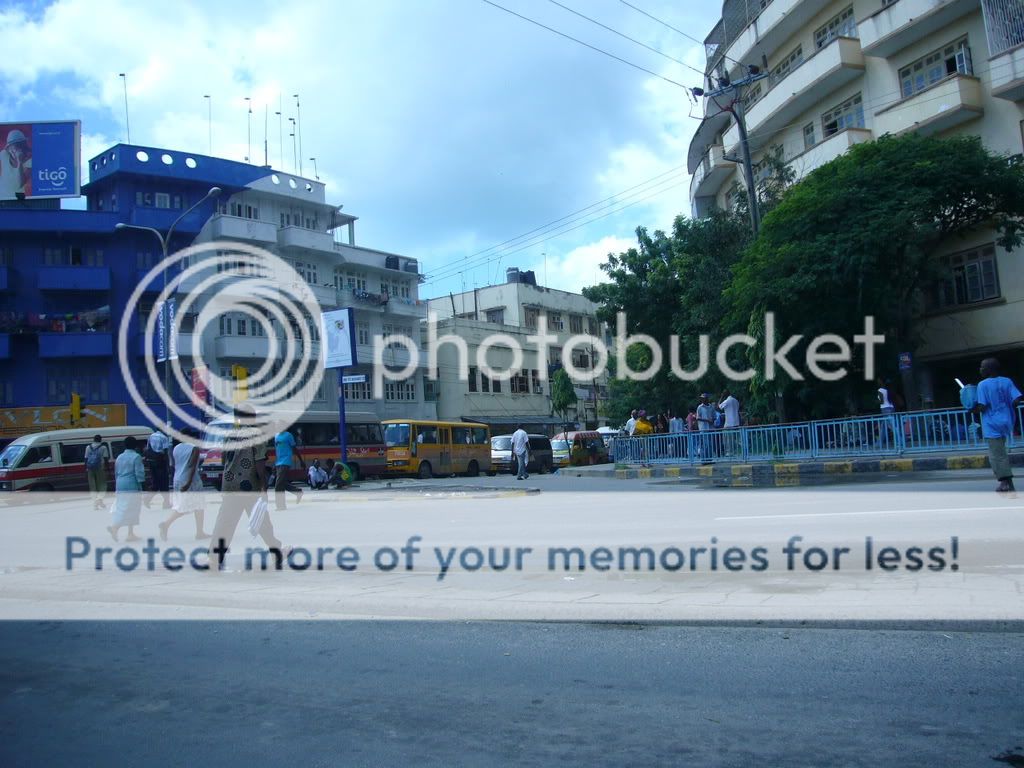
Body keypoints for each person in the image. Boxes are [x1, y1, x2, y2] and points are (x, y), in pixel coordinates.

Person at [208, 404, 288, 572]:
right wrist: (263, 488)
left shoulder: (229, 436)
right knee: (262, 521)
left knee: (224, 523)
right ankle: (276, 551)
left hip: (229, 486)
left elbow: (224, 461)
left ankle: (215, 558)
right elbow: (259, 464)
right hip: (248, 486)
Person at [973, 358, 1023, 493]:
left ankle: (1004, 483)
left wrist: (973, 409)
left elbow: (982, 406)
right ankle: (1009, 483)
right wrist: (1007, 407)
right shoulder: (1007, 381)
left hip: (992, 423)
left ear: (989, 369)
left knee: (996, 455)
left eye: (982, 367)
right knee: (1001, 452)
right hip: (1006, 421)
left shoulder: (982, 385)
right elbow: (1017, 399)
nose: (980, 369)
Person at [159, 427, 211, 541]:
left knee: (189, 506)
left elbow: (174, 464)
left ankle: (199, 531)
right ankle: (167, 524)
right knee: (196, 506)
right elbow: (192, 467)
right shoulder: (194, 448)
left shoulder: (176, 448)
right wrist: (188, 483)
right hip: (192, 480)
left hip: (178, 478)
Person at [107, 436, 146, 543]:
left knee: (122, 508)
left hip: (120, 484)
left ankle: (130, 533)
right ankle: (116, 528)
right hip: (131, 485)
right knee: (131, 508)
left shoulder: (119, 457)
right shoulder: (136, 457)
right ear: (135, 446)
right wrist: (144, 487)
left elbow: (116, 473)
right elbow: (139, 474)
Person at [273, 427, 305, 510]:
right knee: (281, 483)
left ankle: (281, 506)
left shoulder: (288, 435)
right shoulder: (276, 436)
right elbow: (277, 450)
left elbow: (294, 448)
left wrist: (301, 460)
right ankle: (297, 491)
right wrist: (275, 463)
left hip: (286, 461)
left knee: (278, 485)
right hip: (278, 462)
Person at [0, 129, 32, 200]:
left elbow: (19, 184)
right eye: (10, 147)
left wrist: (19, 161)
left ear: (22, 147)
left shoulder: (30, 162)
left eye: (16, 147)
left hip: (16, 200)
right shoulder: (3, 155)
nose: (13, 151)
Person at [145, 429, 172, 509]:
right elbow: (166, 453)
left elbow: (148, 448)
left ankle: (148, 499)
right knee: (164, 483)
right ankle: (166, 503)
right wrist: (168, 466)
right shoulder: (163, 437)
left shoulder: (151, 436)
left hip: (152, 462)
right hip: (161, 462)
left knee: (156, 483)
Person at [84, 434, 110, 511]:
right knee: (102, 486)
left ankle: (96, 504)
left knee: (93, 487)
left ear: (94, 439)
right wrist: (108, 469)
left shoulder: (88, 447)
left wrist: (86, 469)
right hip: (100, 469)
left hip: (90, 469)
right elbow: (105, 459)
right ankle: (99, 501)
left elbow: (86, 459)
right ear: (100, 440)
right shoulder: (103, 447)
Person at [696, 394, 718, 462]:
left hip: (710, 428)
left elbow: (714, 416)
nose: (703, 400)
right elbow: (697, 418)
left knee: (710, 444)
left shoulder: (711, 407)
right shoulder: (700, 407)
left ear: (707, 399)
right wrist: (707, 420)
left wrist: (712, 420)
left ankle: (709, 459)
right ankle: (704, 459)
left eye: (704, 398)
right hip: (703, 428)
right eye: (702, 398)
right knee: (705, 444)